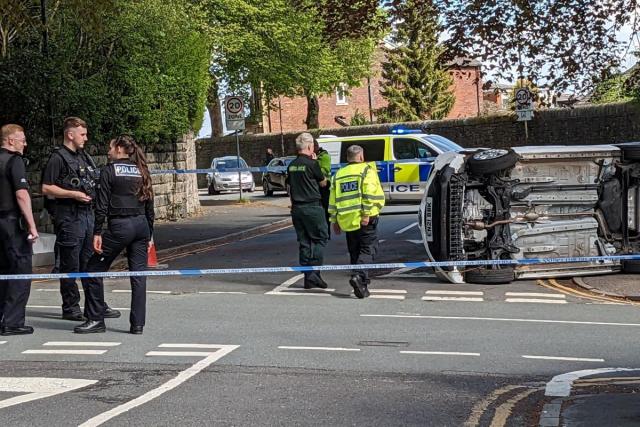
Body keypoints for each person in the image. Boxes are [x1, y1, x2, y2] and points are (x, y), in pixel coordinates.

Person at [42, 117, 120, 321]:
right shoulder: (58, 158)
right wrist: (73, 194)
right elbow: (46, 187)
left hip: (87, 215)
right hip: (69, 217)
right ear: (70, 134)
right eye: (82, 134)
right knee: (70, 264)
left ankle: (96, 305)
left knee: (91, 262)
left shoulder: (84, 156)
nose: (86, 138)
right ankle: (71, 307)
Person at [75, 135, 154, 334]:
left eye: (110, 147)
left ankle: (95, 319)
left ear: (119, 149)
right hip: (142, 226)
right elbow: (150, 205)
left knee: (93, 268)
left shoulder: (109, 171)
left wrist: (97, 232)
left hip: (120, 226)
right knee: (138, 276)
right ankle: (137, 325)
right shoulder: (141, 170)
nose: (108, 150)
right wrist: (150, 233)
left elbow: (101, 205)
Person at [329, 145, 385, 299]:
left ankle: (361, 287)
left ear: (347, 158)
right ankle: (359, 277)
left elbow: (332, 199)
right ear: (361, 156)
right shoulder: (366, 171)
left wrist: (334, 220)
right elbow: (368, 193)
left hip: (347, 220)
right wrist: (366, 213)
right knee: (368, 249)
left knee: (355, 252)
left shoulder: (339, 174)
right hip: (365, 218)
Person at [0, 124, 38, 335]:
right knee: (21, 270)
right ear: (10, 141)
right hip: (12, 222)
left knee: (3, 272)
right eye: (22, 139)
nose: (25, 144)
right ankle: (13, 322)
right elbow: (21, 194)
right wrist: (32, 225)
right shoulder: (15, 161)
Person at [287, 133, 329, 289]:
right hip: (312, 207)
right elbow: (323, 183)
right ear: (310, 147)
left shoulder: (291, 165)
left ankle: (307, 277)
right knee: (320, 238)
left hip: (297, 208)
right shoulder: (312, 164)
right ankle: (314, 274)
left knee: (304, 242)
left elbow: (289, 186)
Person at [314, 140, 332, 237]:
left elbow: (325, 170)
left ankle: (326, 232)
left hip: (324, 187)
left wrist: (313, 164)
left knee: (325, 211)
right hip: (314, 187)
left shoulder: (324, 156)